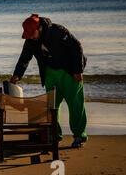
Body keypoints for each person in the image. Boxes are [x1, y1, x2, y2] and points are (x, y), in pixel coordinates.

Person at [10, 14, 88, 148]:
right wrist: (17, 75)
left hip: (69, 71)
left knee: (75, 105)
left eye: (31, 33)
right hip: (50, 73)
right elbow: (24, 58)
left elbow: (76, 47)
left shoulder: (58, 31)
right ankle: (54, 136)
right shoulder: (30, 40)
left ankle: (79, 136)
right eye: (27, 34)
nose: (29, 37)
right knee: (51, 107)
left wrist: (78, 70)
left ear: (39, 28)